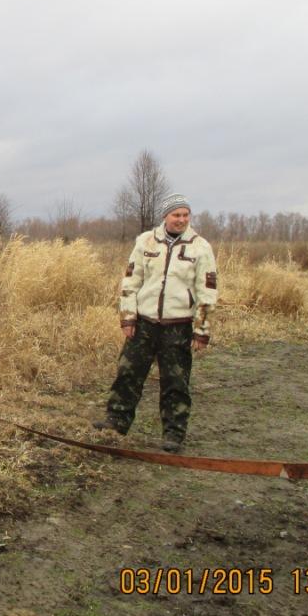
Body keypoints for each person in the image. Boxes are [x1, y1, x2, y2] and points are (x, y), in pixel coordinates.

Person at [93, 193, 218, 453]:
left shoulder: (200, 247)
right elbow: (131, 282)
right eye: (176, 215)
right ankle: (116, 422)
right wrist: (128, 317)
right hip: (144, 323)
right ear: (165, 216)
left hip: (178, 326)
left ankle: (174, 433)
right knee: (128, 374)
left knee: (175, 382)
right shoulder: (145, 241)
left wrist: (201, 330)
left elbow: (207, 292)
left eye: (185, 215)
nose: (181, 220)